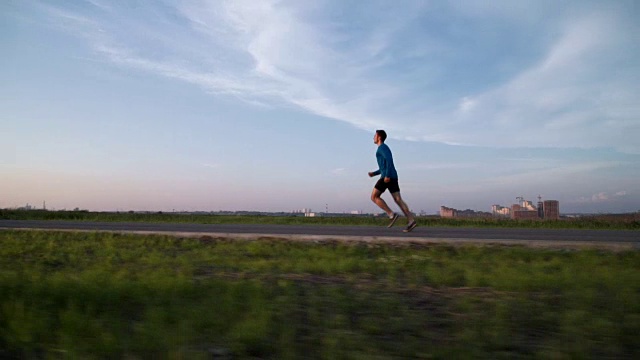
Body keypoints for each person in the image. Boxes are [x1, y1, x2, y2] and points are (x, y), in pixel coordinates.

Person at [368, 130, 417, 232]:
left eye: (375, 136)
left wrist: (386, 175)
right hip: (392, 176)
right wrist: (374, 173)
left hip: (387, 177)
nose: (373, 137)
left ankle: (391, 214)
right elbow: (384, 166)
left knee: (374, 197)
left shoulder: (382, 148)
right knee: (398, 199)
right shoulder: (383, 148)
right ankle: (411, 221)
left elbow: (389, 160)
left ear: (379, 137)